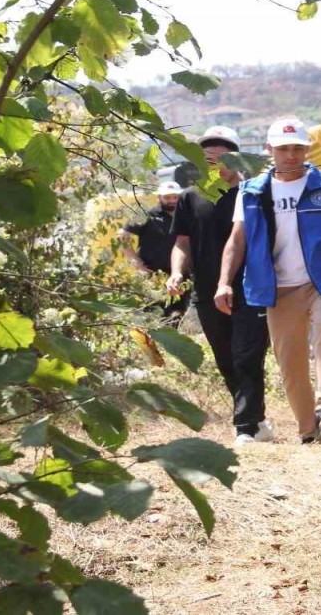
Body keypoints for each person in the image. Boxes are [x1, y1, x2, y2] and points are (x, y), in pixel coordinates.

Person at [216, 117, 321, 444]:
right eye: (283, 149)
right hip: (277, 287)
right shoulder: (252, 192)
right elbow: (237, 241)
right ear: (269, 150)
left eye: (297, 148)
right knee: (289, 362)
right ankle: (311, 431)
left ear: (307, 149)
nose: (291, 155)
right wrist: (224, 282)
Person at [167, 126, 275, 447]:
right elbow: (182, 243)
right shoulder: (190, 198)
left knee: (248, 355)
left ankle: (243, 426)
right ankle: (256, 419)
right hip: (207, 291)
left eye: (221, 158)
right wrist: (176, 272)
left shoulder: (254, 194)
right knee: (226, 358)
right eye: (207, 159)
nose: (214, 164)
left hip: (251, 287)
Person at [120, 181, 189, 320]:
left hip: (180, 276)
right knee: (155, 315)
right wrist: (135, 261)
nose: (172, 201)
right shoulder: (147, 214)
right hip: (154, 275)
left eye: (175, 197)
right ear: (159, 198)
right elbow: (122, 236)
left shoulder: (187, 215)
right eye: (167, 198)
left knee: (179, 314)